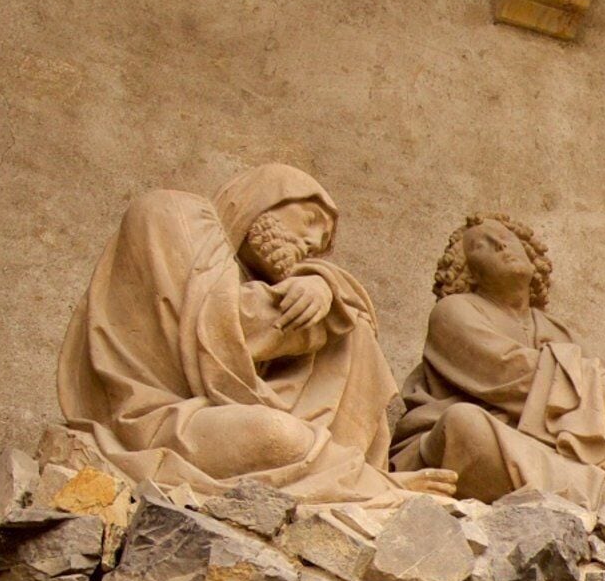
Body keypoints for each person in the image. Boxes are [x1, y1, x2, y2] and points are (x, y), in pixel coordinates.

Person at [54, 165, 446, 513]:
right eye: (310, 220)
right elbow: (222, 329)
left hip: (215, 414)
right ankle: (370, 484)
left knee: (349, 334)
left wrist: (325, 282)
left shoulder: (245, 277)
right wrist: (326, 292)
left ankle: (363, 476)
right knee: (278, 435)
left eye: (323, 241)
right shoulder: (173, 213)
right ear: (261, 197)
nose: (313, 242)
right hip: (151, 422)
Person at [389, 212, 605, 509]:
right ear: (469, 271)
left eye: (508, 238)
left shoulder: (553, 328)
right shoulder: (453, 311)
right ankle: (596, 491)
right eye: (481, 245)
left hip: (552, 451)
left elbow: (587, 410)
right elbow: (507, 372)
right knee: (463, 423)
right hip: (491, 445)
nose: (501, 245)